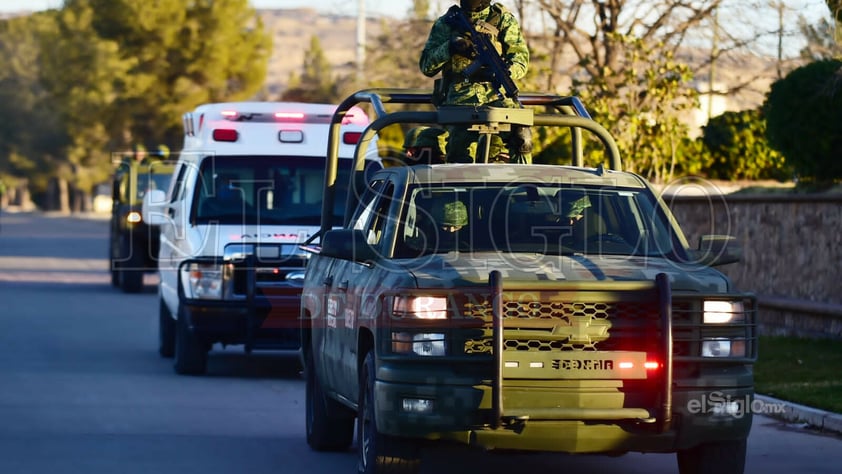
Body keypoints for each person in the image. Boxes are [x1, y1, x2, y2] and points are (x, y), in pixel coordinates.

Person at [419, 0, 531, 164]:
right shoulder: (446, 23)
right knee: (459, 160)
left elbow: (521, 61)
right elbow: (427, 66)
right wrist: (451, 47)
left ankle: (527, 185)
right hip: (459, 102)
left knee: (522, 137)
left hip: (497, 100)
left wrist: (505, 70)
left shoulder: (502, 20)